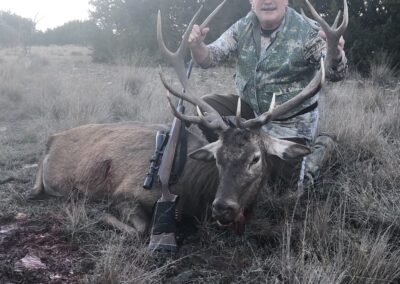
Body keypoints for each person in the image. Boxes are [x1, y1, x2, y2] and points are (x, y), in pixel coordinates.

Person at [188, 0, 348, 188]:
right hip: (252, 112)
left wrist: (335, 54)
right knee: (205, 109)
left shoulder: (308, 31)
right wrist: (197, 46)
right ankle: (231, 159)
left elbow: (337, 73)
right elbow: (209, 57)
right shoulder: (242, 26)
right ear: (251, 2)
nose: (268, 1)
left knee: (284, 190)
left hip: (290, 123)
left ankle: (322, 147)